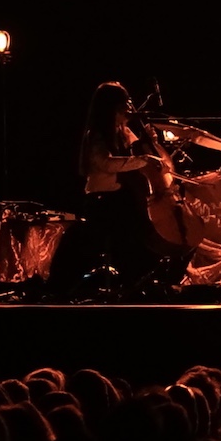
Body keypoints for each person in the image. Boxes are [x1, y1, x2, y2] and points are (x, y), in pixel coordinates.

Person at [77, 81, 174, 288]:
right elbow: (106, 163)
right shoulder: (97, 135)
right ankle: (135, 280)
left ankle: (144, 278)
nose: (128, 109)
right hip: (102, 201)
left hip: (119, 199)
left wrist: (152, 141)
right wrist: (146, 159)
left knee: (138, 223)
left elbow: (140, 149)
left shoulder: (123, 131)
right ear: (111, 108)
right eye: (124, 105)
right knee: (135, 232)